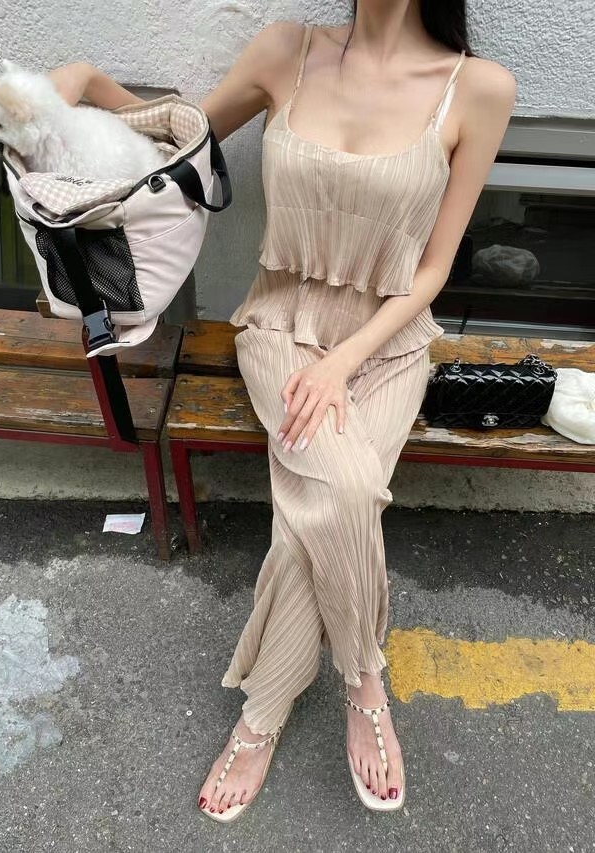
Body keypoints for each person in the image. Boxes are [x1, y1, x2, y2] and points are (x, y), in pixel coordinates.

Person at [51, 0, 515, 822]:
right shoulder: (286, 51)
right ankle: (364, 679)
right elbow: (176, 150)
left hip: (385, 346)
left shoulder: (477, 88)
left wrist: (345, 361)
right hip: (281, 330)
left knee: (317, 515)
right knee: (345, 490)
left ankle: (261, 716)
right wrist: (87, 85)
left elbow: (435, 267)